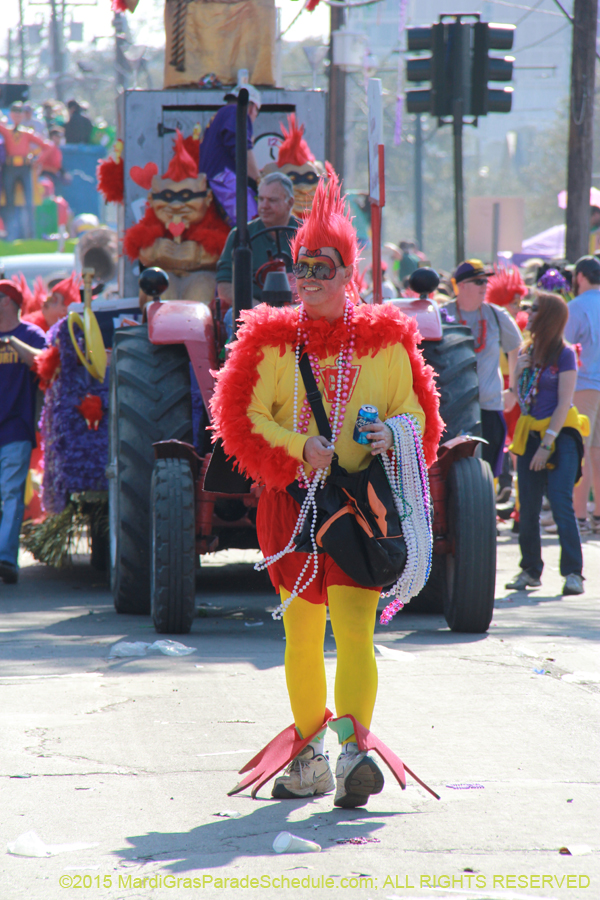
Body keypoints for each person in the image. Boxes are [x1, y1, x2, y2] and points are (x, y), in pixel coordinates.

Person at [210, 176, 442, 807]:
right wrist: (296, 448)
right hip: (291, 504)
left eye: (323, 267)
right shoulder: (267, 340)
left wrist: (393, 436)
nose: (308, 278)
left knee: (355, 633)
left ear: (350, 275)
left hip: (358, 511)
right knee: (303, 635)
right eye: (300, 267)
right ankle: (315, 757)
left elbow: (419, 416)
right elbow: (238, 417)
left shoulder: (388, 342)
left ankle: (352, 754)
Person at [506, 292, 588, 596]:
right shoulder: (528, 350)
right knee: (527, 505)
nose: (529, 313)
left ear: (549, 316)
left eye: (535, 309)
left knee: (559, 500)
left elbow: (564, 402)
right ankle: (530, 570)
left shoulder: (565, 354)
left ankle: (573, 573)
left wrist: (547, 445)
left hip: (561, 434)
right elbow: (519, 396)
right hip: (530, 433)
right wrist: (519, 368)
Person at [443, 259, 522, 478]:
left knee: (488, 472)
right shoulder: (442, 315)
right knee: (453, 473)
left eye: (485, 282)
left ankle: (489, 510)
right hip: (452, 411)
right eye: (478, 282)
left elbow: (517, 349)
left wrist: (513, 390)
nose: (484, 287)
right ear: (462, 285)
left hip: (489, 406)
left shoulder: (496, 315)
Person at [0, 281, 46, 584]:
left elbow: (43, 363)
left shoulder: (31, 335)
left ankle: (5, 558)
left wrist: (11, 343)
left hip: (15, 427)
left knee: (12, 494)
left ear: (10, 302)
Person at [216, 171, 299, 308]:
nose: (264, 206)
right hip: (252, 308)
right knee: (233, 316)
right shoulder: (240, 235)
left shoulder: (308, 234)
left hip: (298, 308)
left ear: (290, 203)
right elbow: (224, 284)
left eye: (272, 200)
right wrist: (256, 308)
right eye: (261, 199)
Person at [564, 256, 600, 534]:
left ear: (579, 277)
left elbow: (564, 349)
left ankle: (578, 516)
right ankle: (597, 515)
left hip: (584, 383)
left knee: (579, 450)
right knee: (597, 452)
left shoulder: (575, 307)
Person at [199, 86, 261, 226]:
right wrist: (260, 181)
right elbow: (242, 149)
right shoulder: (236, 112)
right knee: (254, 226)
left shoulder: (221, 114)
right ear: (252, 108)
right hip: (224, 181)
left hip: (213, 181)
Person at [0, 102, 50, 240]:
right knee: (9, 202)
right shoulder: (7, 131)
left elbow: (47, 146)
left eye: (19, 114)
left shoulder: (27, 133)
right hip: (9, 167)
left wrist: (37, 161)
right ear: (11, 115)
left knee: (29, 202)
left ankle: (31, 235)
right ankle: (11, 234)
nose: (17, 116)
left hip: (24, 167)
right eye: (14, 113)